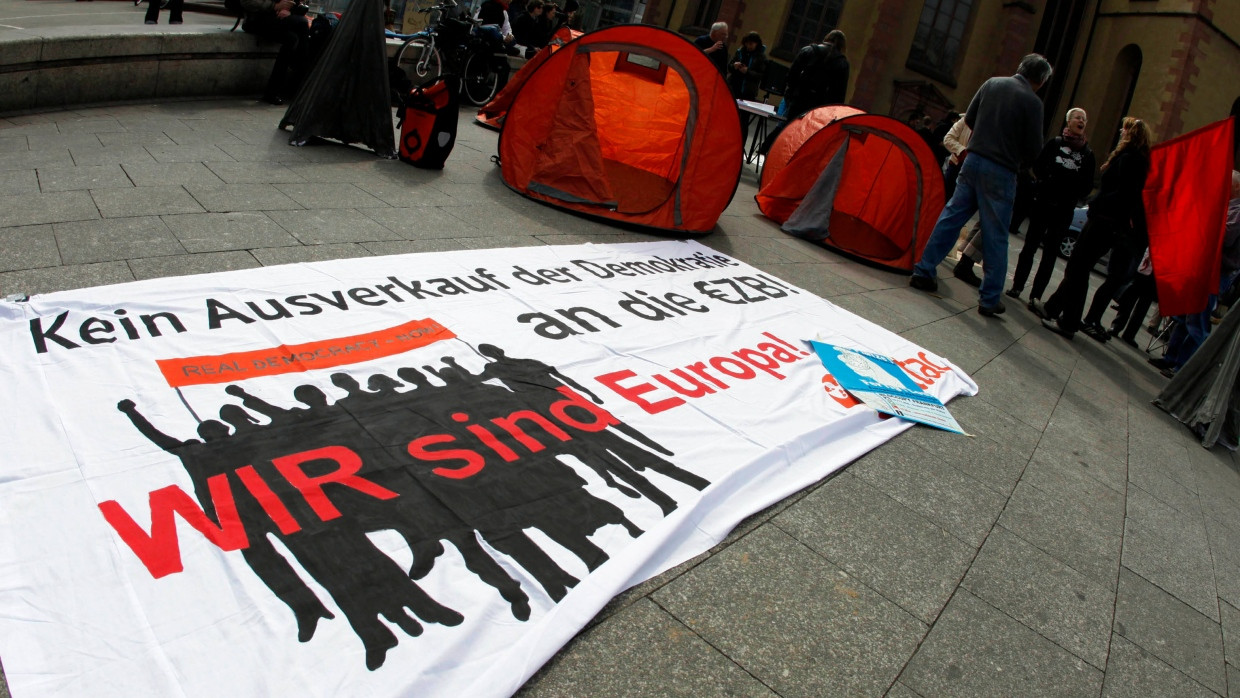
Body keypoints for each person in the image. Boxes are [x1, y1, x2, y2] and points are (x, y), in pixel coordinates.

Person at [908, 54, 1050, 317]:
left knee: (952, 216)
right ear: (1040, 80)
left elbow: (969, 119)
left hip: (973, 160)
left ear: (1020, 68)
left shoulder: (992, 83)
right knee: (995, 234)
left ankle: (924, 270)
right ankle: (989, 297)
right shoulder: (1033, 102)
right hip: (1002, 169)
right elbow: (1033, 149)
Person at [1032, 116, 1153, 340]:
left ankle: (1069, 322)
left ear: (1131, 134)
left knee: (1078, 268)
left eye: (1124, 130)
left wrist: (1097, 204)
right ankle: (1052, 308)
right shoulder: (1138, 160)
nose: (1120, 133)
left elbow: (1122, 194)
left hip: (1104, 221)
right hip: (1108, 222)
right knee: (1079, 267)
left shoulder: (1129, 159)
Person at [1150, 171, 1240, 374]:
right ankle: (1171, 358)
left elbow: (1224, 237)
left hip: (1215, 273)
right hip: (1200, 268)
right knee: (1183, 317)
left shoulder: (1237, 211)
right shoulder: (1224, 208)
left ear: (1236, 188)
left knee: (1197, 322)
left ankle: (1185, 368)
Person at [1005, 107, 1096, 304]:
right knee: (1030, 246)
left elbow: (1088, 185)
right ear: (1069, 122)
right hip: (1044, 204)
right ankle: (1017, 286)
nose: (1081, 121)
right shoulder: (1055, 144)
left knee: (1050, 254)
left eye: (1084, 119)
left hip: (1064, 210)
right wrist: (1046, 183)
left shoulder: (1088, 155)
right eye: (1078, 118)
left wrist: (1072, 193)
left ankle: (1036, 295)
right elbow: (1037, 166)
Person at [241, 0, 312, 104]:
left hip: (277, 19)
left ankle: (274, 91)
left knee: (291, 39)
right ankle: (297, 81)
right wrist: (275, 6)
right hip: (257, 19)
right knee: (302, 23)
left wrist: (289, 9)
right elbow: (247, 2)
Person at [727, 32, 766, 146]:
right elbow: (729, 66)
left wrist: (747, 72)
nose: (749, 46)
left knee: (743, 121)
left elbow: (761, 75)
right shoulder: (740, 52)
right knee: (730, 117)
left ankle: (739, 145)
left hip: (748, 92)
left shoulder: (760, 57)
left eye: (752, 44)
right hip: (734, 88)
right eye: (747, 44)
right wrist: (734, 66)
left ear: (756, 44)